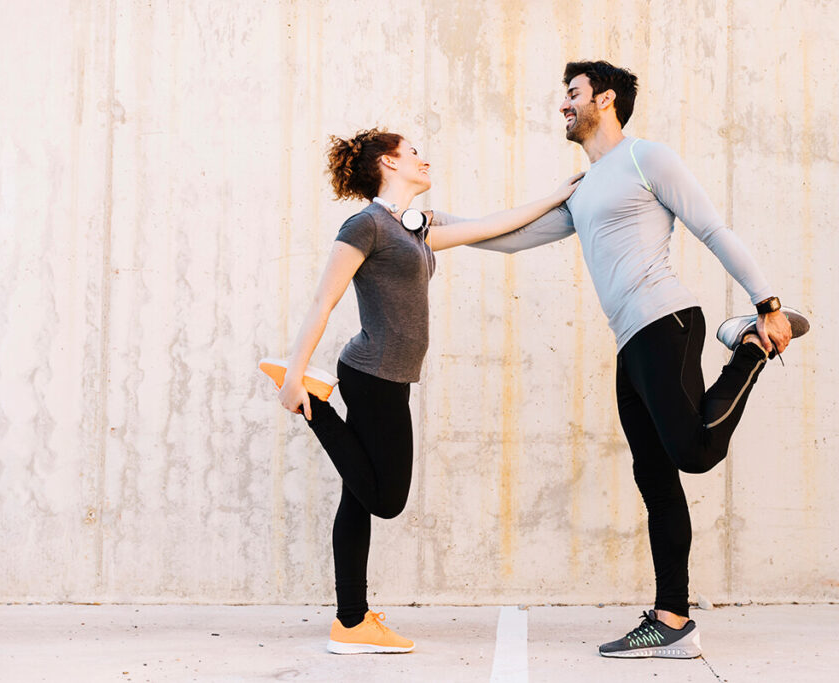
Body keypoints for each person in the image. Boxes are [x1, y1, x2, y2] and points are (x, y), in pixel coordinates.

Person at [463, 60, 809, 658]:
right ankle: (671, 619)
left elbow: (713, 227)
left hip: (665, 322)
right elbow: (512, 235)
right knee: (655, 477)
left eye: (572, 94)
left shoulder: (647, 158)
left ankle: (750, 345)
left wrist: (767, 303)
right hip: (630, 341)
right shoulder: (583, 186)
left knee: (694, 453)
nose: (564, 104)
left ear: (606, 99)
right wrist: (432, 227)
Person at [267, 128, 582, 654]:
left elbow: (490, 227)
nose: (425, 159)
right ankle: (315, 406)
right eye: (415, 153)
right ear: (390, 162)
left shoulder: (412, 229)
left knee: (358, 495)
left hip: (391, 376)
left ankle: (351, 620)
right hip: (371, 375)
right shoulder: (365, 224)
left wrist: (559, 194)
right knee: (386, 500)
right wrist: (296, 375)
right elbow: (324, 300)